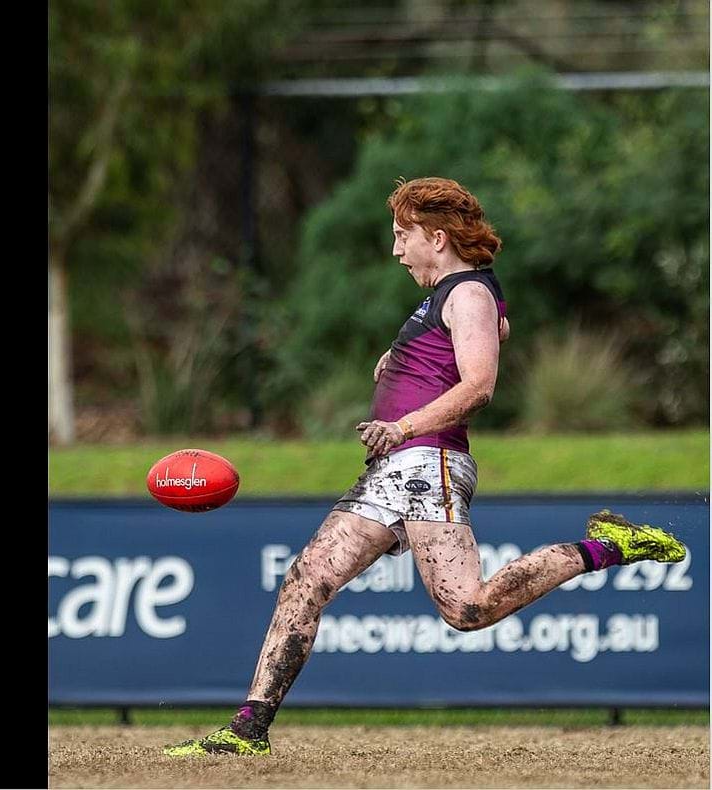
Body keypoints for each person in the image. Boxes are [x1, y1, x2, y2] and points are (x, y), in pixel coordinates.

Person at [163, 177, 687, 757]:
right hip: (396, 468)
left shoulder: (467, 294)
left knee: (467, 608)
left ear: (436, 238)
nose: (395, 250)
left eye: (401, 236)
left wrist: (403, 424)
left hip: (425, 463)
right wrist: (402, 361)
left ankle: (606, 546)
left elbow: (480, 384)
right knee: (307, 578)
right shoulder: (455, 296)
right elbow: (484, 335)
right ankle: (248, 729)